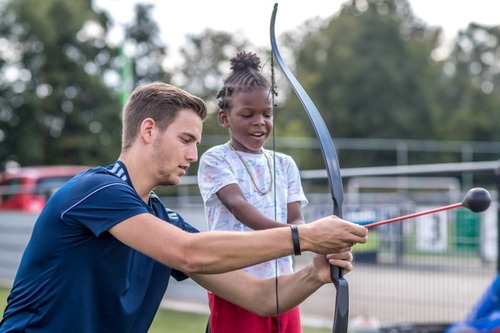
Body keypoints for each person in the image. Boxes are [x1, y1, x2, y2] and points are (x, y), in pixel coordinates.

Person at [0, 82, 368, 333]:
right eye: (186, 139)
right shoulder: (97, 189)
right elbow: (188, 253)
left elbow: (259, 298)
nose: (194, 155)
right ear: (148, 130)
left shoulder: (161, 217)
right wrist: (304, 236)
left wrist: (315, 273)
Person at [198, 51, 307, 332]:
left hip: (284, 284)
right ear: (224, 118)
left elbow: (297, 218)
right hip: (236, 284)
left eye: (267, 114)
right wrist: (294, 237)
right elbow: (238, 205)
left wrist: (302, 234)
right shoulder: (216, 159)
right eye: (247, 114)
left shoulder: (285, 164)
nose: (260, 121)